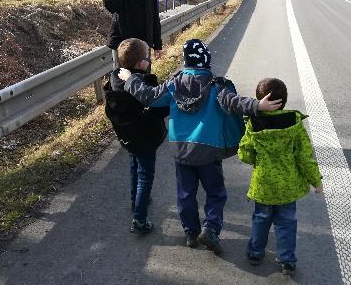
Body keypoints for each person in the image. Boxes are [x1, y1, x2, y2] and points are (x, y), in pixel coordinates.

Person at [117, 39, 282, 254]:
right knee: (215, 193)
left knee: (185, 194)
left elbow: (149, 97)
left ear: (185, 62)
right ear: (206, 62)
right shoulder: (215, 86)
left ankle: (191, 232)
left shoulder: (173, 85)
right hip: (208, 151)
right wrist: (257, 106)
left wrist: (130, 80)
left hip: (181, 151)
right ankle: (211, 228)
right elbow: (234, 102)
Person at [237, 78, 323, 275]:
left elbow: (245, 153)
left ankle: (256, 253)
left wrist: (256, 160)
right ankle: (287, 260)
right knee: (286, 222)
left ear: (261, 100)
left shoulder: (254, 124)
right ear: (284, 101)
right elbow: (305, 157)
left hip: (264, 185)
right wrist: (316, 181)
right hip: (288, 187)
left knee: (260, 219)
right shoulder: (294, 124)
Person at [103, 38, 169, 234]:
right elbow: (158, 109)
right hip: (145, 139)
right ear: (141, 63)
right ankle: (139, 219)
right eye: (147, 58)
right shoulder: (144, 85)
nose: (149, 61)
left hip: (128, 137)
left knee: (134, 166)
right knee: (145, 176)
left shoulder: (114, 81)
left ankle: (136, 199)